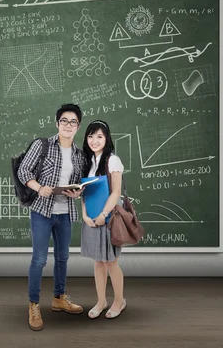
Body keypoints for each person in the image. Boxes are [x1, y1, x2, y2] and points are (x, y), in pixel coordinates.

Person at [17, 103, 87, 331]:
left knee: (63, 258)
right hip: (42, 211)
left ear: (78, 126)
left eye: (73, 122)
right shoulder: (42, 145)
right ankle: (34, 305)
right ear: (57, 123)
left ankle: (59, 298)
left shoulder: (79, 154)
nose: (68, 125)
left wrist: (77, 193)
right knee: (39, 260)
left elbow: (81, 183)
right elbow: (23, 170)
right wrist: (39, 187)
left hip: (65, 212)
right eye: (64, 120)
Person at [79, 119, 126, 319]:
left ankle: (119, 301)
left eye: (99, 136)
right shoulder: (86, 162)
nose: (94, 140)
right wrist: (85, 215)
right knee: (98, 262)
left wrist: (103, 215)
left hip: (109, 216)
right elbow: (83, 193)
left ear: (107, 138)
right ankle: (101, 301)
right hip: (91, 217)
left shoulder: (112, 160)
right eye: (91, 136)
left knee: (111, 262)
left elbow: (115, 193)